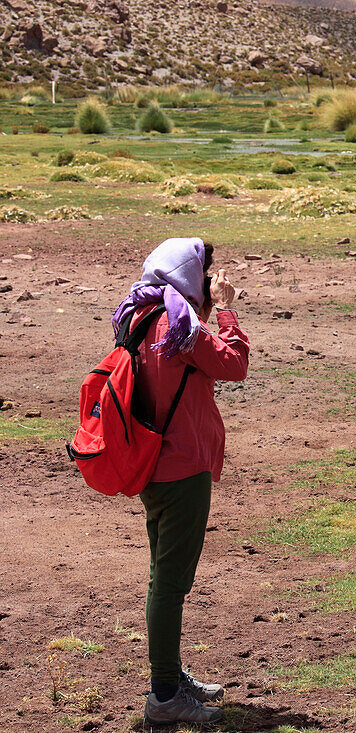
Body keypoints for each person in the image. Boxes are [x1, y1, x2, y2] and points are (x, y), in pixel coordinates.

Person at [111, 237, 249, 724]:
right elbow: (233, 364)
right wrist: (228, 311)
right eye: (207, 271)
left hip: (150, 465)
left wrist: (206, 307)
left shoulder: (139, 314)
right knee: (170, 585)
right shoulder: (180, 324)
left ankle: (169, 676)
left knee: (163, 579)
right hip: (183, 469)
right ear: (190, 275)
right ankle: (165, 697)